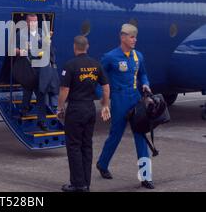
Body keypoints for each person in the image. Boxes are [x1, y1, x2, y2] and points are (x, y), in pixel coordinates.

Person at [96, 24, 155, 189]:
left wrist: (145, 84)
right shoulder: (110, 57)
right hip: (119, 100)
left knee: (141, 136)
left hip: (135, 99)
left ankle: (145, 177)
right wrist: (103, 98)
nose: (135, 40)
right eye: (131, 37)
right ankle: (102, 163)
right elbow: (97, 78)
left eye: (135, 37)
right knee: (115, 135)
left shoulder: (138, 56)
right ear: (123, 37)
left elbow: (143, 73)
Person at [57, 36, 111, 192]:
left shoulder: (70, 65)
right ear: (87, 46)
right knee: (87, 146)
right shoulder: (96, 65)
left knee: (74, 146)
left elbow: (64, 90)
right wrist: (105, 104)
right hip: (89, 109)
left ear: (75, 47)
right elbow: (106, 87)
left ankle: (77, 184)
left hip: (75, 109)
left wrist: (60, 108)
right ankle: (86, 183)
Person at [15, 14, 48, 131]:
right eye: (31, 22)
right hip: (28, 67)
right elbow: (13, 50)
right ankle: (23, 112)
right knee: (27, 92)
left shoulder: (41, 32)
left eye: (36, 21)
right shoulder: (21, 34)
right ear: (26, 23)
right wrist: (23, 50)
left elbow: (46, 47)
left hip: (40, 67)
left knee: (41, 94)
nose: (34, 24)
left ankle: (42, 121)